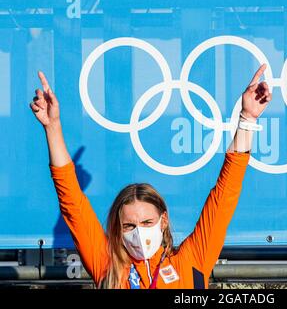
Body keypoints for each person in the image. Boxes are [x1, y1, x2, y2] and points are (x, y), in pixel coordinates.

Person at [29, 64, 272, 289]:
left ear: (163, 221)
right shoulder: (108, 266)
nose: (139, 233)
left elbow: (225, 195)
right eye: (129, 226)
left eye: (147, 223)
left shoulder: (192, 258)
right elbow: (71, 202)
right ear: (118, 229)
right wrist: (53, 128)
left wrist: (247, 119)